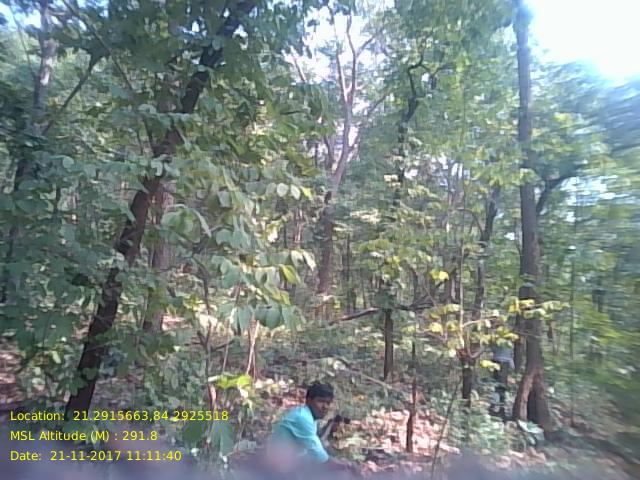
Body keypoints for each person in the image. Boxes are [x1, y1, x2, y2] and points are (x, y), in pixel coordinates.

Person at [265, 381, 360, 477]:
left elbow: (316, 440)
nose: (325, 407)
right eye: (321, 401)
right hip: (280, 467)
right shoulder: (302, 418)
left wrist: (330, 427)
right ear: (308, 401)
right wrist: (347, 465)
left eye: (328, 403)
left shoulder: (308, 415)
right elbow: (322, 458)